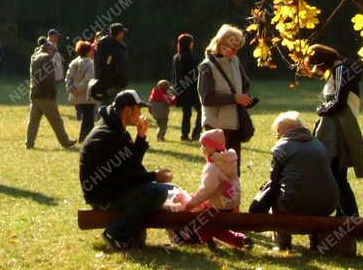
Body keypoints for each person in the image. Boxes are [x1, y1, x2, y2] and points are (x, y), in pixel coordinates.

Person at [79, 89, 174, 250]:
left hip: (113, 189)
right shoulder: (107, 135)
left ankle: (131, 234)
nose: (140, 114)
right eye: (138, 110)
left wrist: (141, 137)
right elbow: (122, 175)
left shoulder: (116, 129)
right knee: (158, 192)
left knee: (168, 189)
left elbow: (130, 164)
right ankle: (114, 234)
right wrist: (153, 176)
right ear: (128, 110)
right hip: (103, 198)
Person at [259, 111, 339, 251]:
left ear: (281, 131)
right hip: (328, 203)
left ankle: (283, 243)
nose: (276, 136)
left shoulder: (281, 147)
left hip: (294, 204)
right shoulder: (318, 144)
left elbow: (274, 179)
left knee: (275, 195)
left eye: (277, 132)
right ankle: (316, 242)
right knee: (311, 192)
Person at [307, 44, 363, 217]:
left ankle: (350, 217)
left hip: (339, 130)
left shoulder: (341, 70)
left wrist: (322, 110)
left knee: (337, 176)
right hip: (335, 128)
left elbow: (339, 102)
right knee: (336, 175)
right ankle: (343, 216)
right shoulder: (339, 70)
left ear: (322, 61)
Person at [170, 128, 248, 250]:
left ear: (213, 147)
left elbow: (206, 190)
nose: (202, 148)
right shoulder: (228, 161)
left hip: (218, 206)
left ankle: (213, 240)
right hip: (230, 204)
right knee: (209, 223)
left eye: (204, 145)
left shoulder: (212, 167)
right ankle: (237, 240)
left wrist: (191, 203)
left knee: (198, 219)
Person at [197, 24, 253, 172]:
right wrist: (235, 98)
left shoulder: (235, 60)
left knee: (234, 170)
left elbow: (245, 84)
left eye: (237, 49)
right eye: (233, 48)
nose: (235, 52)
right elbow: (206, 98)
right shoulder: (206, 66)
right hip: (215, 126)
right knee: (217, 171)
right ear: (222, 45)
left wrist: (245, 97)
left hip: (234, 123)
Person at [26, 39, 77, 149]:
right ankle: (65, 142)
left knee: (33, 122)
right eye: (54, 51)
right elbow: (48, 79)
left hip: (34, 94)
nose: (54, 54)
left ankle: (29, 143)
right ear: (49, 50)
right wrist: (53, 93)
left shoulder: (34, 56)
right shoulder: (47, 59)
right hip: (45, 96)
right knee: (56, 121)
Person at [172, 33, 202, 140]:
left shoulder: (176, 57)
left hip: (182, 88)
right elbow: (196, 73)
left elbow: (175, 75)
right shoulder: (192, 56)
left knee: (186, 113)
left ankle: (184, 134)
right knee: (201, 111)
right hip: (193, 89)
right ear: (189, 43)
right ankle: (196, 132)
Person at [65, 40, 96, 143]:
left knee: (86, 118)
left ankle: (84, 139)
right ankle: (86, 139)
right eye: (91, 50)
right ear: (87, 51)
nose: (92, 51)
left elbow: (68, 78)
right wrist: (79, 90)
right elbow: (88, 79)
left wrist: (71, 89)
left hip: (76, 95)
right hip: (86, 96)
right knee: (89, 119)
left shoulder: (73, 62)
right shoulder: (90, 63)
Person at [93, 23, 129, 105]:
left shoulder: (102, 44)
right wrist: (121, 81)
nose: (123, 35)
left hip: (102, 81)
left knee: (103, 106)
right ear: (119, 33)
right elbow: (119, 66)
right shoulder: (117, 47)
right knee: (113, 106)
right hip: (115, 83)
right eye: (122, 32)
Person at [47, 28, 65, 95]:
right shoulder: (48, 45)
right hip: (52, 75)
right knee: (51, 93)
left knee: (54, 93)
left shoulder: (54, 45)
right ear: (51, 36)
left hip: (56, 76)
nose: (57, 38)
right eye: (56, 36)